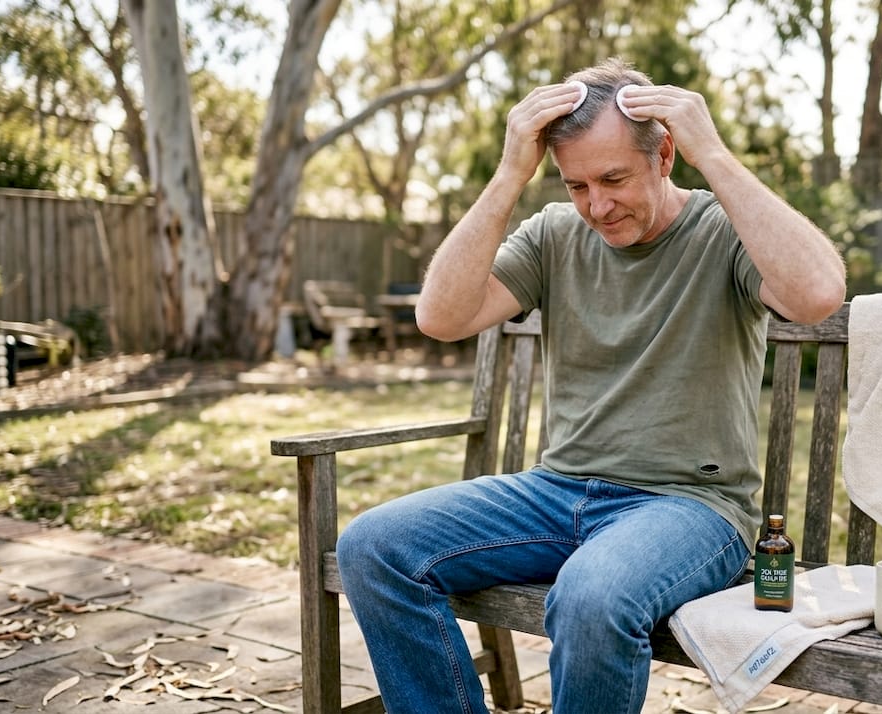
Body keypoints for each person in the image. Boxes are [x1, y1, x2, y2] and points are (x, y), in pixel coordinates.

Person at [335, 57, 846, 714]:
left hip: (691, 507)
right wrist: (508, 174)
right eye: (576, 184)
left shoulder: (723, 231)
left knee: (590, 599)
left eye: (613, 178)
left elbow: (818, 297)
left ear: (665, 154)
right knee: (374, 547)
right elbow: (442, 318)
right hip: (557, 494)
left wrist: (713, 152)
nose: (597, 205)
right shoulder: (554, 232)